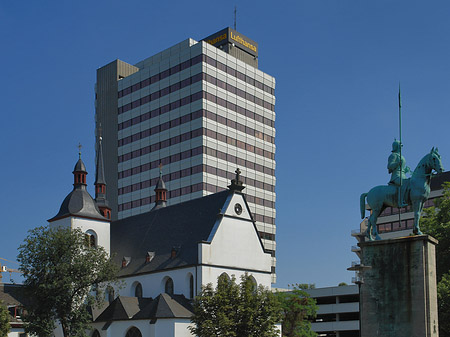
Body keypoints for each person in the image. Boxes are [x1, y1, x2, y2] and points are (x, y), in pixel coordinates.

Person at [387, 139, 410, 207]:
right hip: (396, 176)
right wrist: (397, 163)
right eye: (400, 146)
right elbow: (389, 166)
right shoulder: (393, 155)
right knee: (403, 183)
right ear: (396, 146)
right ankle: (400, 201)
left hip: (403, 175)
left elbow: (401, 168)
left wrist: (405, 170)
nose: (401, 147)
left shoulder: (402, 156)